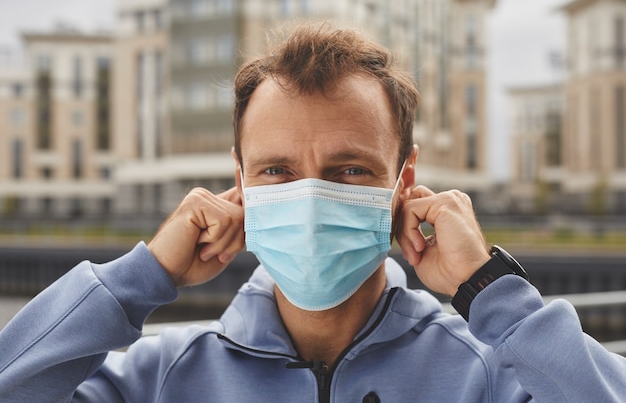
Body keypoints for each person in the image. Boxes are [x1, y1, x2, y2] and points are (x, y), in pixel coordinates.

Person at [1, 23, 624, 403]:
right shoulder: (161, 377)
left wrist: (491, 293)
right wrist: (140, 278)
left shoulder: (489, 372)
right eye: (277, 171)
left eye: (348, 170)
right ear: (238, 181)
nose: (309, 198)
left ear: (404, 180)